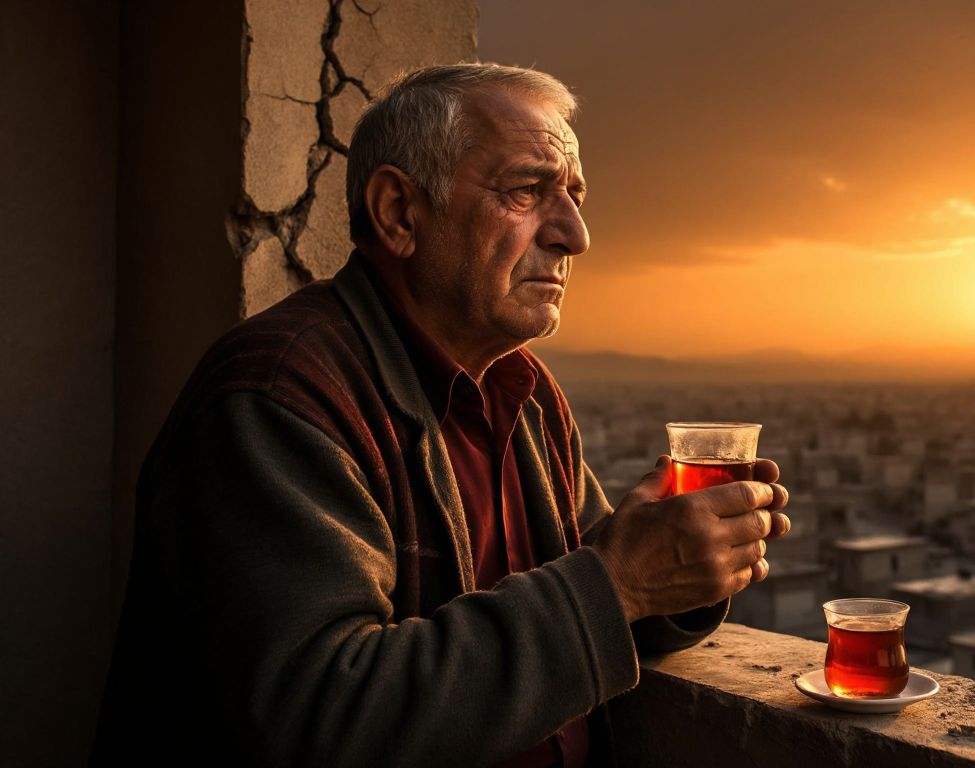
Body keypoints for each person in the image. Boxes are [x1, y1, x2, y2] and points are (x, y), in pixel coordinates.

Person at [92, 62, 790, 766]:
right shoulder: (282, 397)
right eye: (527, 190)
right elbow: (319, 715)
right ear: (399, 212)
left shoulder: (525, 394)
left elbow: (590, 608)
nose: (574, 236)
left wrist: (679, 571)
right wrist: (620, 581)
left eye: (574, 197)